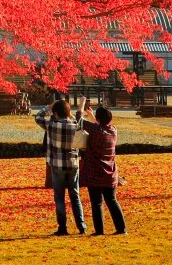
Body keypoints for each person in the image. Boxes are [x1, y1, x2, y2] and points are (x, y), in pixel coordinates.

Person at [34, 97, 86, 235]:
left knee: (59, 197)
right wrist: (74, 110)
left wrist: (48, 107)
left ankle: (62, 228)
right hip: (73, 164)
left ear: (55, 113)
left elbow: (38, 117)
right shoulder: (75, 124)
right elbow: (78, 117)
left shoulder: (51, 125)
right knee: (75, 196)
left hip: (57, 165)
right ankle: (81, 226)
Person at [79, 104, 127, 236]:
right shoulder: (113, 130)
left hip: (95, 172)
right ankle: (121, 229)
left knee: (97, 203)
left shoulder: (95, 130)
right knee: (112, 200)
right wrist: (93, 116)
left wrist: (82, 107)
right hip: (110, 173)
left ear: (99, 120)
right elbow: (100, 127)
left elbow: (79, 120)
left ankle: (99, 231)